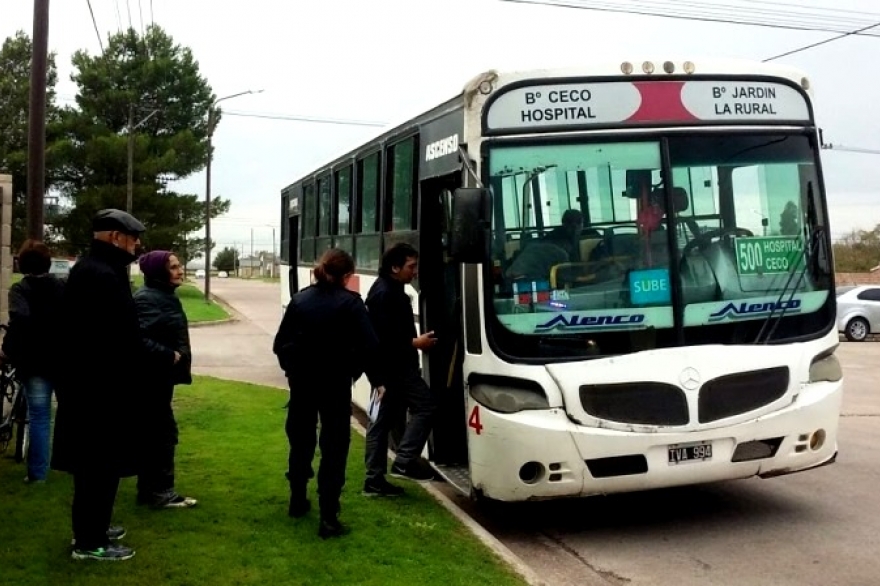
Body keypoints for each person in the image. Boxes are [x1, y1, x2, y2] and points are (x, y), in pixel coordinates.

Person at [52, 208, 146, 561]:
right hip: (99, 391)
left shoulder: (100, 270)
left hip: (96, 387)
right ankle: (89, 542)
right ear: (114, 237)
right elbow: (113, 338)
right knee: (98, 467)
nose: (136, 244)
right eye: (132, 238)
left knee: (101, 466)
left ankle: (96, 526)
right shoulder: (100, 275)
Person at [273, 248, 385, 539]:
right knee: (334, 450)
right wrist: (357, 371)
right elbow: (370, 346)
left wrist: (292, 369)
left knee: (300, 442)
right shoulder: (351, 304)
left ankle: (297, 499)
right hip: (335, 385)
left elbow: (280, 344)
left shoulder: (300, 301)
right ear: (348, 276)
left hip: (302, 384)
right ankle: (328, 517)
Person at [363, 243, 437, 497]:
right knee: (425, 406)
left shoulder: (389, 289)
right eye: (411, 266)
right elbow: (381, 338)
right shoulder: (386, 294)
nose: (415, 272)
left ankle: (374, 480)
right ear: (395, 267)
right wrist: (415, 343)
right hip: (395, 370)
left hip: (389, 370)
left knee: (381, 423)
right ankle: (404, 461)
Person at [133, 250, 197, 509]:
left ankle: (151, 490)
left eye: (179, 265)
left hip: (160, 379)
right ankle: (160, 493)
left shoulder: (164, 296)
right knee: (160, 434)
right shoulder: (147, 299)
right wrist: (167, 354)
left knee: (157, 434)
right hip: (150, 379)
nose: (180, 270)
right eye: (173, 267)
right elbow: (136, 339)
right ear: (159, 272)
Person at [1, 240, 66, 484]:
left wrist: (8, 349)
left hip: (35, 361)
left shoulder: (20, 290)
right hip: (63, 359)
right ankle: (71, 464)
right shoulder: (62, 287)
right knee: (68, 414)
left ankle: (38, 474)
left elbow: (20, 321)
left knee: (39, 417)